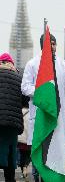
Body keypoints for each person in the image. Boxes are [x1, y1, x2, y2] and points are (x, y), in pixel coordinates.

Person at [21, 34, 65, 182]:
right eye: (50, 44)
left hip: (57, 117)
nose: (53, 47)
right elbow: (25, 88)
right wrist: (43, 95)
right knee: (40, 152)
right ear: (42, 46)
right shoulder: (32, 64)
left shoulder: (62, 64)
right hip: (40, 116)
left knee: (55, 153)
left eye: (54, 44)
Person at [0, 53, 24, 182]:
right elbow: (25, 100)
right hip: (12, 123)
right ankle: (10, 179)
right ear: (11, 64)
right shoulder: (18, 77)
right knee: (10, 154)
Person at [18, 106, 31, 179]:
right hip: (29, 138)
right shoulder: (31, 112)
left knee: (22, 155)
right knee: (29, 154)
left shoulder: (20, 111)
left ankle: (23, 171)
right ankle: (26, 166)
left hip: (21, 138)